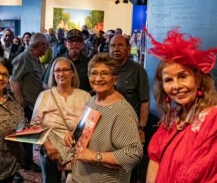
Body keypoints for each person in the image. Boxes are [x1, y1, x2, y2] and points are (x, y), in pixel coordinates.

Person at [145, 29, 217, 183]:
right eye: (169, 80)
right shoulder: (171, 118)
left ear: (198, 79)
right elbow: (155, 158)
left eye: (183, 76)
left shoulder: (213, 120)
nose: (176, 86)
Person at [65, 53, 143, 182]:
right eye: (94, 73)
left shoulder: (121, 111)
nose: (98, 78)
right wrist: (73, 135)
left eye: (105, 73)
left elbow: (133, 153)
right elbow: (88, 131)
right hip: (80, 177)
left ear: (116, 79)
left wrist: (96, 156)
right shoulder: (92, 100)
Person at [31, 57, 91, 183]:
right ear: (53, 73)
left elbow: (89, 125)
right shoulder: (45, 96)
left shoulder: (84, 96)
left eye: (65, 70)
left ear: (73, 72)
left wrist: (78, 147)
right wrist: (48, 146)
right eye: (57, 70)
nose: (61, 73)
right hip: (50, 149)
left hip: (77, 150)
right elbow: (34, 125)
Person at [109, 35, 150, 182]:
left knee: (127, 169)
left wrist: (141, 129)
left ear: (128, 48)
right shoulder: (105, 69)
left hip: (130, 129)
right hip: (107, 128)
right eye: (113, 46)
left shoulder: (137, 70)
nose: (116, 49)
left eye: (120, 45)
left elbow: (144, 101)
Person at [10, 33, 49, 171]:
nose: (48, 48)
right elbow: (14, 80)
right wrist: (21, 100)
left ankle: (28, 160)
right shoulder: (24, 58)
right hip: (26, 104)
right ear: (40, 45)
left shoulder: (35, 58)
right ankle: (24, 163)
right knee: (25, 135)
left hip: (34, 104)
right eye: (46, 45)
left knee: (30, 134)